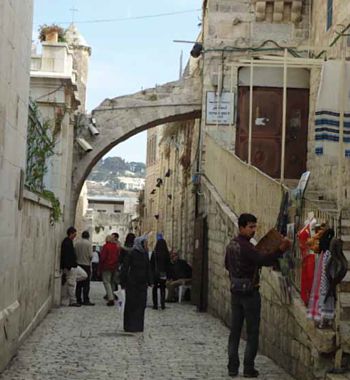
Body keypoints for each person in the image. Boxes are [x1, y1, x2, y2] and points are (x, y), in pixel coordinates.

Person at [225, 213, 291, 378]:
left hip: (235, 291)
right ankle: (248, 368)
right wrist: (280, 250)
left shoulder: (231, 245)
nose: (254, 230)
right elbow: (262, 259)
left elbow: (227, 265)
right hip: (249, 292)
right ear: (241, 227)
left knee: (235, 331)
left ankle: (232, 367)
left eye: (255, 227)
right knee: (252, 332)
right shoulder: (246, 246)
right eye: (251, 227)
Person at [121, 235, 152, 332]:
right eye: (145, 243)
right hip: (132, 283)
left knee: (141, 305)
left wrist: (150, 281)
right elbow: (125, 268)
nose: (147, 245)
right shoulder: (131, 254)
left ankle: (138, 326)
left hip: (142, 284)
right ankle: (129, 326)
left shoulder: (145, 254)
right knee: (131, 304)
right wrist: (123, 282)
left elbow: (148, 268)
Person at [60, 226, 87, 307]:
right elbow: (66, 255)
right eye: (74, 234)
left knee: (84, 275)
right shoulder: (67, 242)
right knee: (71, 284)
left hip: (74, 266)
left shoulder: (69, 242)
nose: (75, 235)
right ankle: (73, 301)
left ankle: (70, 281)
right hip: (70, 266)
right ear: (71, 233)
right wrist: (68, 266)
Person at [75, 231, 94, 306]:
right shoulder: (89, 244)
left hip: (78, 264)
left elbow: (75, 253)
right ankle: (86, 299)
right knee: (86, 284)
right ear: (88, 236)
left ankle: (78, 299)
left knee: (79, 283)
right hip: (86, 265)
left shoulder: (77, 243)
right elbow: (90, 255)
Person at [99, 235, 120, 306]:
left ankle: (110, 298)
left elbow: (102, 258)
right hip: (114, 266)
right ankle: (112, 295)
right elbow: (118, 256)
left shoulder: (106, 246)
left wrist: (100, 267)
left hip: (106, 266)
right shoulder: (115, 246)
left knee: (106, 282)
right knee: (112, 282)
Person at [150, 238, 171, 310]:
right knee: (162, 288)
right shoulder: (166, 253)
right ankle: (162, 304)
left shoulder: (154, 253)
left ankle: (155, 305)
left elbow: (151, 264)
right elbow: (168, 265)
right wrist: (168, 275)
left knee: (155, 289)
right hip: (163, 273)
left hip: (155, 274)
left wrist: (151, 275)